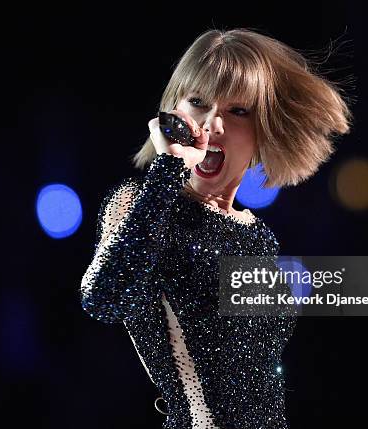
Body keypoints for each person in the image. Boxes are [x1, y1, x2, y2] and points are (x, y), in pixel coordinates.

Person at [81, 27, 352, 429]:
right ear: (172, 114)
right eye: (198, 102)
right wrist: (168, 170)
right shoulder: (140, 205)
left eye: (238, 111)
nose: (212, 125)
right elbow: (104, 298)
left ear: (264, 130)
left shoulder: (258, 235)